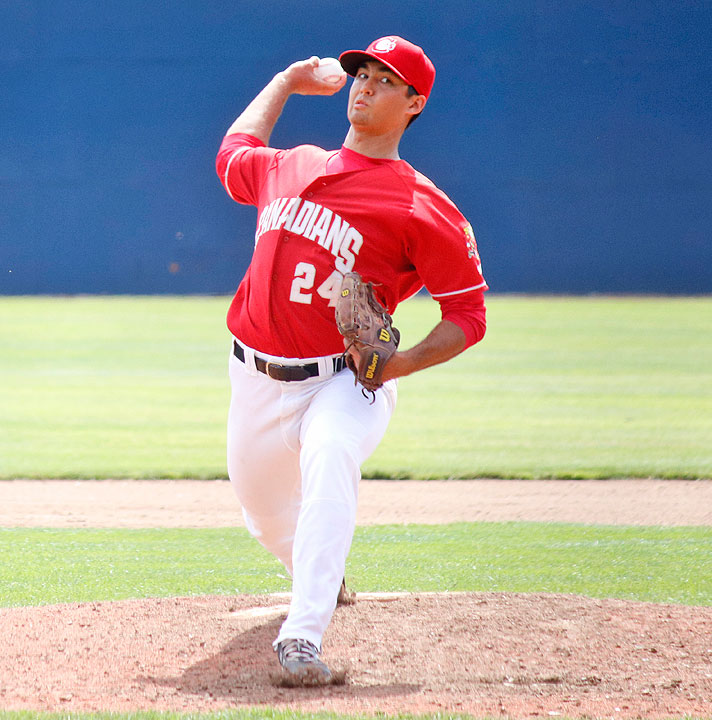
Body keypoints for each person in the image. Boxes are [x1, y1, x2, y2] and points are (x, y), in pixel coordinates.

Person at [215, 35, 487, 685]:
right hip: (252, 374)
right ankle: (322, 575)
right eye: (362, 72)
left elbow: (467, 317)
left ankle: (302, 637)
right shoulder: (290, 165)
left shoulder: (423, 208)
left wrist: (395, 367)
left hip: (343, 381)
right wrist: (284, 80)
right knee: (263, 518)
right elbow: (233, 154)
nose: (365, 84)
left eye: (386, 80)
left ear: (414, 103)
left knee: (331, 455)